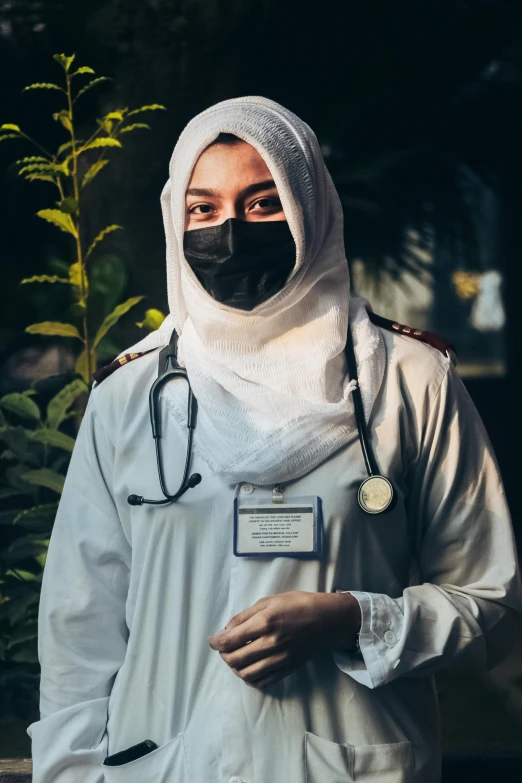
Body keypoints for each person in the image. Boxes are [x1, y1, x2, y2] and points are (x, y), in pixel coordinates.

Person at [27, 96, 522, 783]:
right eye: (203, 209)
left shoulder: (413, 381)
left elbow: (493, 605)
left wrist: (352, 619)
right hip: (164, 766)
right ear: (176, 220)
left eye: (263, 203)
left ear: (310, 205)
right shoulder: (128, 398)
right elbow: (79, 630)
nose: (230, 230)